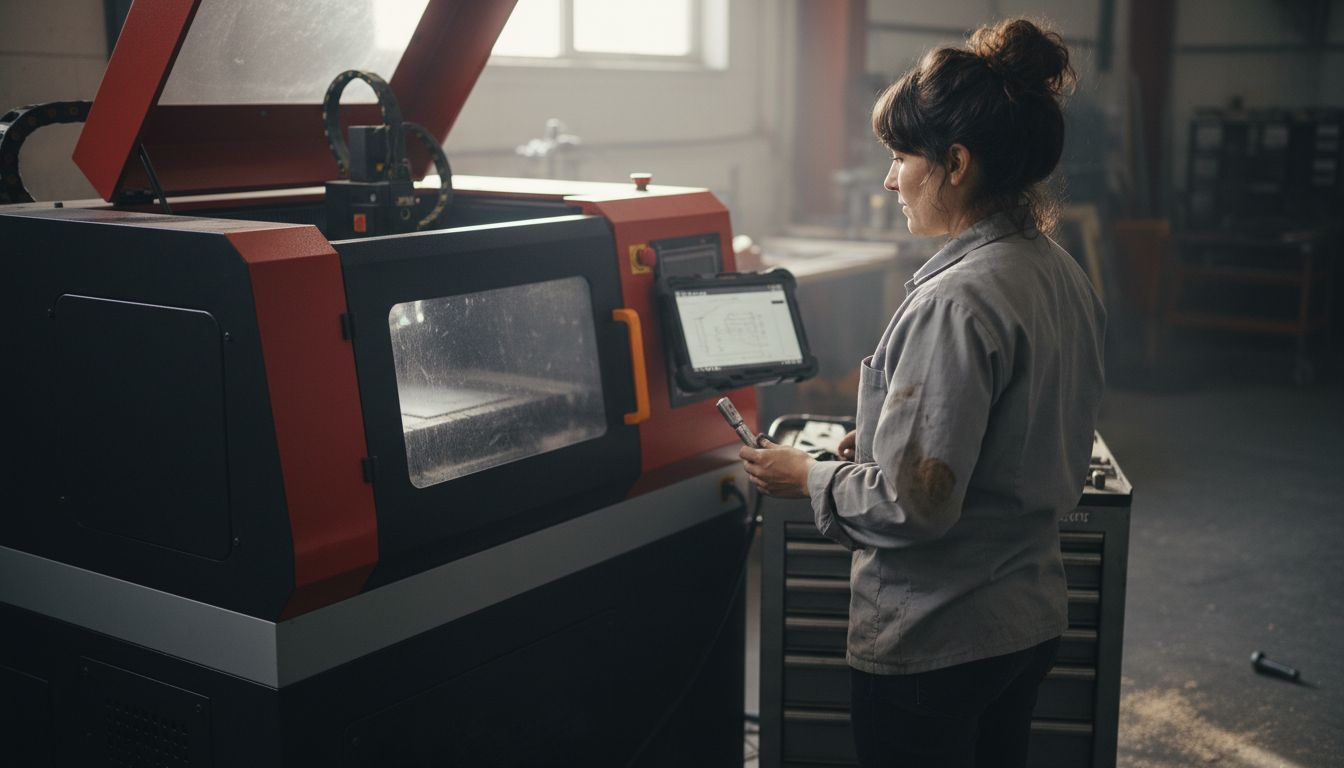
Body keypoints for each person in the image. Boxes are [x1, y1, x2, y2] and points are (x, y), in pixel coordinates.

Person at [740, 17, 1105, 768]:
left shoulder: (958, 300)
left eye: (901, 156)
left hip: (940, 639)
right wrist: (877, 444)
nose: (888, 178)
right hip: (1027, 618)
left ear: (956, 163)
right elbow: (1007, 432)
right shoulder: (1055, 270)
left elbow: (916, 506)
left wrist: (806, 476)